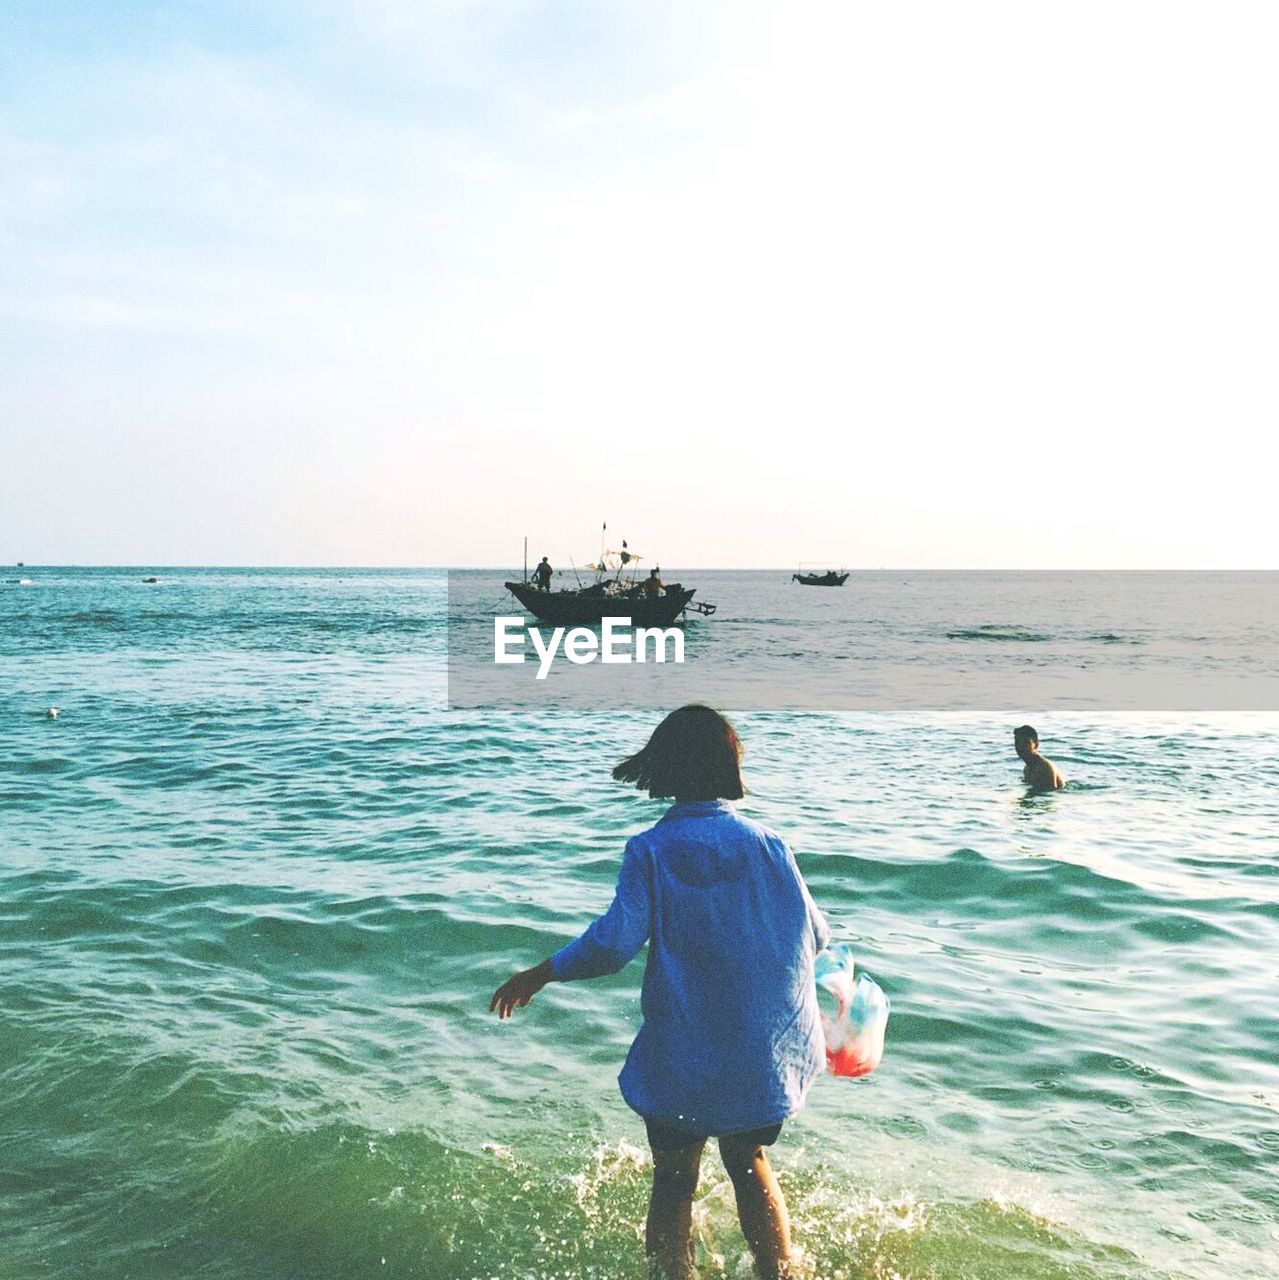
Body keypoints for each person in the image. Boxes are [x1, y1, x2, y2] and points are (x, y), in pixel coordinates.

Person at [490, 705, 829, 1280]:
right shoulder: (771, 844)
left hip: (689, 1051)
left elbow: (612, 946)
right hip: (764, 1053)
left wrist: (540, 973)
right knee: (749, 1161)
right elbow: (816, 937)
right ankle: (780, 1271)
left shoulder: (652, 849)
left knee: (674, 1178)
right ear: (730, 766)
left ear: (665, 769)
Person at [1014, 724, 1065, 791]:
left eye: (1026, 743)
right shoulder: (1027, 769)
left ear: (1036, 745)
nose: (1021, 746)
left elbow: (1050, 796)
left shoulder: (1045, 768)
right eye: (1017, 742)